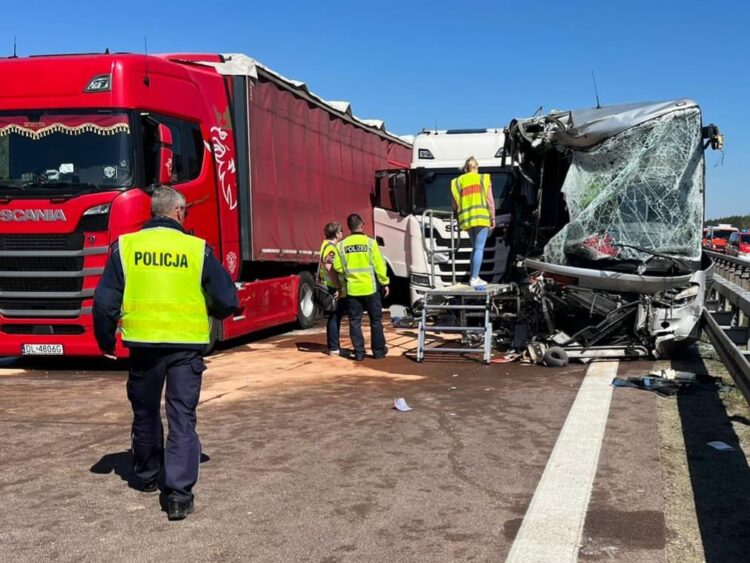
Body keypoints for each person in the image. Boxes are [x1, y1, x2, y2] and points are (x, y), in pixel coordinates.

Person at [93, 186, 238, 521]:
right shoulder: (197, 249)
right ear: (179, 212)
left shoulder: (125, 248)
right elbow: (227, 299)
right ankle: (178, 496)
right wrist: (212, 310)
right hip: (185, 348)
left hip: (143, 347)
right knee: (181, 417)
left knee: (145, 412)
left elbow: (103, 303)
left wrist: (105, 341)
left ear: (153, 212)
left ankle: (146, 475)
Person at [333, 213, 390, 361]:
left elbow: (337, 267)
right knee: (375, 321)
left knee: (355, 322)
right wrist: (384, 282)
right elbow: (380, 266)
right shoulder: (371, 243)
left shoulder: (341, 245)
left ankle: (359, 353)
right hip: (370, 289)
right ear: (362, 225)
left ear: (349, 227)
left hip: (353, 290)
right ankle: (378, 351)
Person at [451, 156, 495, 288]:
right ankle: (474, 278)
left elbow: (454, 204)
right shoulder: (483, 178)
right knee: (479, 248)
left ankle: (474, 276)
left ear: (465, 169)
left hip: (466, 219)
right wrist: (493, 218)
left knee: (475, 248)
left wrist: (457, 216)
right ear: (477, 167)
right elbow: (490, 201)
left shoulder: (457, 182)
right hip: (481, 217)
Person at [319, 222, 346, 355]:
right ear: (336, 234)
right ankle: (334, 347)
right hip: (331, 287)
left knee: (333, 316)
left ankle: (333, 346)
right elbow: (328, 266)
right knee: (335, 316)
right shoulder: (331, 248)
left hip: (327, 285)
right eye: (341, 231)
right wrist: (338, 287)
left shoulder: (325, 244)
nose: (342, 233)